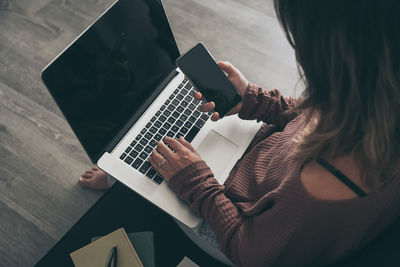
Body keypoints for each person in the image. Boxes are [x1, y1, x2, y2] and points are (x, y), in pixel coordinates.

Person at [79, 0, 400, 266]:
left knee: (159, 164)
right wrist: (254, 98)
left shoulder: (316, 193)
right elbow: (310, 114)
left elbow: (246, 249)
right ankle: (127, 161)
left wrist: (196, 181)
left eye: (299, 42)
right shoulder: (375, 106)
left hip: (235, 228)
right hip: (266, 168)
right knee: (200, 130)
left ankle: (120, 167)